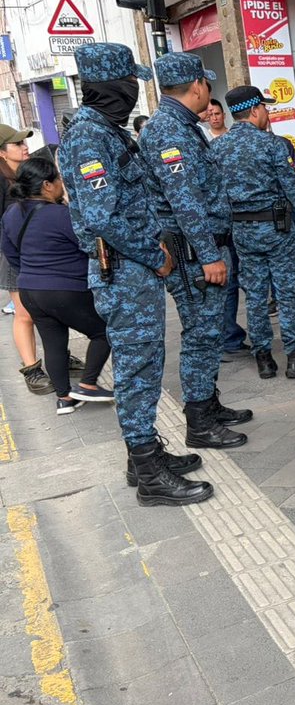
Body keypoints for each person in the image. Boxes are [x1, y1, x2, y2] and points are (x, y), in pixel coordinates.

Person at [58, 42, 211, 505]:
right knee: (138, 367)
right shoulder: (90, 136)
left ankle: (142, 456)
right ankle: (149, 474)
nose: (135, 90)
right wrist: (154, 253)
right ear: (114, 86)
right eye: (131, 82)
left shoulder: (107, 130)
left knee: (143, 363)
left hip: (131, 269)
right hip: (124, 269)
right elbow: (102, 215)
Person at [139, 51, 251, 450]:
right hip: (193, 253)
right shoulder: (170, 130)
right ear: (198, 87)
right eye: (207, 84)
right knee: (203, 336)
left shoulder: (181, 125)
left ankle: (209, 404)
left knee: (206, 332)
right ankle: (200, 423)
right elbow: (184, 199)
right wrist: (209, 256)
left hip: (197, 248)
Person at [211, 85, 295, 381]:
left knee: (255, 294)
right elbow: (293, 189)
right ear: (256, 110)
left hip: (242, 232)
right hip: (278, 229)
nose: (267, 114)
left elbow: (216, 195)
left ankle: (264, 358)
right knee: (287, 290)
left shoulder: (217, 148)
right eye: (265, 108)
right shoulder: (273, 145)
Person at [1, 157, 115, 415]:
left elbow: (10, 252)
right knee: (104, 331)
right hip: (65, 289)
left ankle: (64, 398)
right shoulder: (62, 215)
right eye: (59, 179)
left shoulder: (11, 214)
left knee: (53, 342)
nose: (62, 183)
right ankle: (87, 384)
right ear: (47, 185)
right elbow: (88, 246)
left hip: (30, 290)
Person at [0, 124, 54, 394]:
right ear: (1, 152)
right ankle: (32, 369)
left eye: (24, 143)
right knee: (24, 313)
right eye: (17, 144)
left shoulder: (21, 172)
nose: (24, 147)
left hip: (36, 250)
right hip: (13, 253)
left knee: (46, 307)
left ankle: (58, 356)